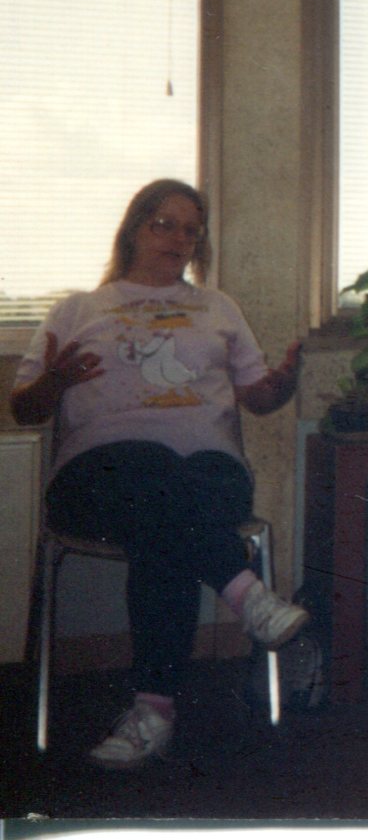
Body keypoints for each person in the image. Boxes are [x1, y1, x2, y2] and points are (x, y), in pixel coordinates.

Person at [11, 178, 308, 769]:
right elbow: (25, 409)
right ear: (134, 230)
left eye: (191, 230)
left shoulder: (218, 307)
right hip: (98, 477)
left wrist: (284, 384)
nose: (178, 238)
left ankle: (153, 714)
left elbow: (258, 399)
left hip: (210, 472)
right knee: (151, 470)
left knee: (169, 513)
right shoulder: (77, 309)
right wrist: (57, 380)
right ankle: (244, 591)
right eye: (164, 224)